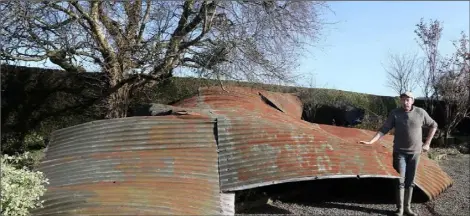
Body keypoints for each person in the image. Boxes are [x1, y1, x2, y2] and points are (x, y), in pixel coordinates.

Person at [359, 92, 438, 216]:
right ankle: (400, 209)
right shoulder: (395, 113)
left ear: (413, 101)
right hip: (399, 152)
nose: (405, 102)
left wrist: (427, 143)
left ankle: (408, 208)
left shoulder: (420, 113)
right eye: (403, 100)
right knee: (400, 180)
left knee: (410, 181)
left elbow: (434, 125)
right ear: (400, 101)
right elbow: (384, 129)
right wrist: (371, 141)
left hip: (415, 153)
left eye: (408, 100)